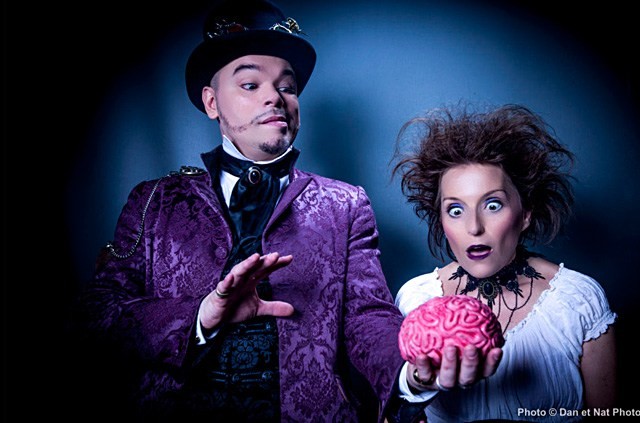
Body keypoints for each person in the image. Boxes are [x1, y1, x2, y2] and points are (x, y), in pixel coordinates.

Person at [75, 1, 500, 421]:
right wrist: (202, 315)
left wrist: (413, 375)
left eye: (287, 86)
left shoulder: (345, 205)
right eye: (250, 84)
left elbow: (367, 317)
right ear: (211, 102)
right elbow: (97, 317)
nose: (274, 97)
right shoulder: (154, 201)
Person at [391, 104, 618, 422]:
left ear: (525, 214)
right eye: (455, 210)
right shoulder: (416, 300)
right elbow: (389, 415)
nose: (474, 227)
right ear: (440, 219)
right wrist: (416, 385)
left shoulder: (577, 299)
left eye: (493, 205)